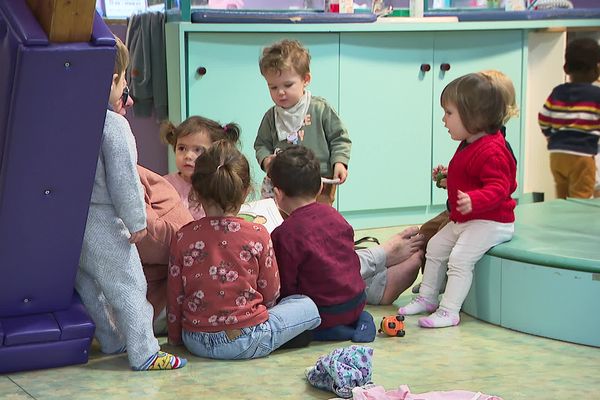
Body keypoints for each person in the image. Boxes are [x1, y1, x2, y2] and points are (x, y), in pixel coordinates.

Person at [75, 36, 186, 370]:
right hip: (105, 220)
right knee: (128, 284)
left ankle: (111, 339)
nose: (125, 89)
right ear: (112, 80)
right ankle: (145, 352)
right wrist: (137, 221)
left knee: (88, 285)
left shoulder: (69, 121)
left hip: (71, 222)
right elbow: (124, 180)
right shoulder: (113, 125)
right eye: (124, 81)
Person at [167, 141, 321, 359]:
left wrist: (175, 339)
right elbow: (271, 293)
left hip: (195, 340)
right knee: (306, 305)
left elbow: (175, 295)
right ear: (246, 191)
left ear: (196, 192)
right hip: (248, 338)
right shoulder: (258, 234)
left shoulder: (182, 236)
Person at [398, 72, 517, 328]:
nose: (444, 120)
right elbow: (471, 175)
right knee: (437, 246)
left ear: (473, 116)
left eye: (449, 113)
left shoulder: (493, 150)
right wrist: (448, 177)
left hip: (491, 222)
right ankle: (428, 297)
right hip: (468, 218)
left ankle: (450, 310)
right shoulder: (470, 142)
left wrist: (475, 199)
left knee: (460, 258)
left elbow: (501, 187)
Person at [269, 145, 376, 342]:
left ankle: (337, 331)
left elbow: (286, 288)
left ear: (277, 194)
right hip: (357, 301)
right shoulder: (336, 216)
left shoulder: (283, 234)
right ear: (319, 187)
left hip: (323, 314)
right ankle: (359, 319)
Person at [254, 39, 351, 206]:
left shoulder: (320, 109)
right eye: (273, 87)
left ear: (306, 79)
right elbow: (261, 144)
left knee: (319, 221)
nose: (281, 93)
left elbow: (339, 138)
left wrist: (340, 162)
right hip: (286, 184)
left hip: (320, 181)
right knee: (285, 221)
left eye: (288, 85)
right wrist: (266, 160)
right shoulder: (271, 116)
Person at [538, 37, 600, 199]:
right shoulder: (596, 95)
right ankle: (576, 224)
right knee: (580, 199)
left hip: (557, 155)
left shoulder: (557, 92)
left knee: (562, 197)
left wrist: (550, 136)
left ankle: (560, 222)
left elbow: (543, 117)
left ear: (566, 69)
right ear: (596, 70)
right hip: (582, 156)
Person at [160, 116, 241, 219]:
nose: (188, 156)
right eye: (182, 148)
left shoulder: (218, 184)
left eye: (198, 150)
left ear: (214, 153)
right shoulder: (165, 184)